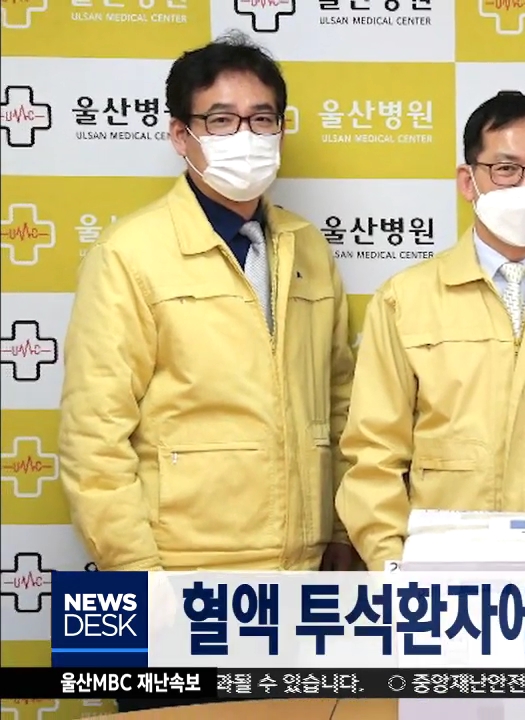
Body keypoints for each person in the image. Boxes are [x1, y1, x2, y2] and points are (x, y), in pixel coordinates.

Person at [59, 32, 357, 712]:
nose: (244, 136)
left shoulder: (307, 248)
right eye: (221, 120)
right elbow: (92, 438)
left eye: (261, 118)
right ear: (181, 135)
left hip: (299, 583)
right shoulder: (130, 253)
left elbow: (340, 403)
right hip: (174, 583)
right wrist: (138, 579)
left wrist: (343, 533)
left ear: (281, 129)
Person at [336, 91, 525, 571]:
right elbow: (374, 454)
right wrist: (393, 566)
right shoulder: (406, 299)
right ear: (468, 181)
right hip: (441, 572)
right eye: (506, 169)